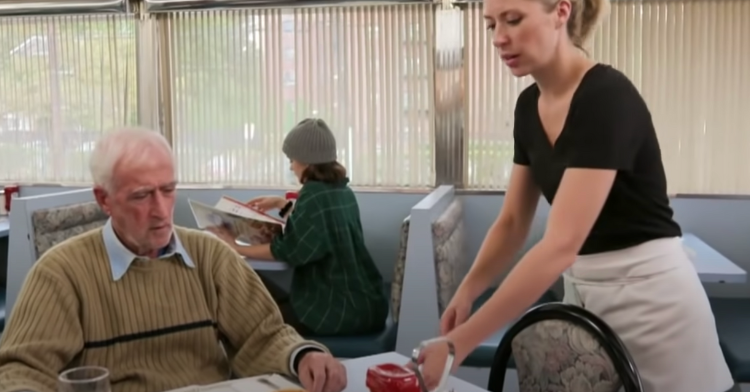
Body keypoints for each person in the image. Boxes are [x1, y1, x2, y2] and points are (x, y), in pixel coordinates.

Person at [414, 0, 734, 391]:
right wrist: (467, 291)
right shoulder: (528, 108)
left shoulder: (606, 97)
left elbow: (562, 243)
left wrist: (458, 343)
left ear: (561, 12)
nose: (499, 38)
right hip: (582, 292)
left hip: (653, 300)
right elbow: (513, 222)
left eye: (514, 20)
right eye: (491, 24)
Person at [0, 127, 347, 392]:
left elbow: (264, 335)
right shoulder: (62, 273)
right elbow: (20, 373)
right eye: (141, 196)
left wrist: (303, 355)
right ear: (104, 199)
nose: (161, 211)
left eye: (168, 190)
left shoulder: (211, 256)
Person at [209, 118, 388, 337]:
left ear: (307, 161)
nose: (291, 165)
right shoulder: (340, 190)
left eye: (292, 159)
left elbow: (290, 250)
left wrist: (236, 247)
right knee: (264, 291)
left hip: (339, 310)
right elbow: (314, 225)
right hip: (367, 303)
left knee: (251, 307)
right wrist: (279, 204)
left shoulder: (313, 195)